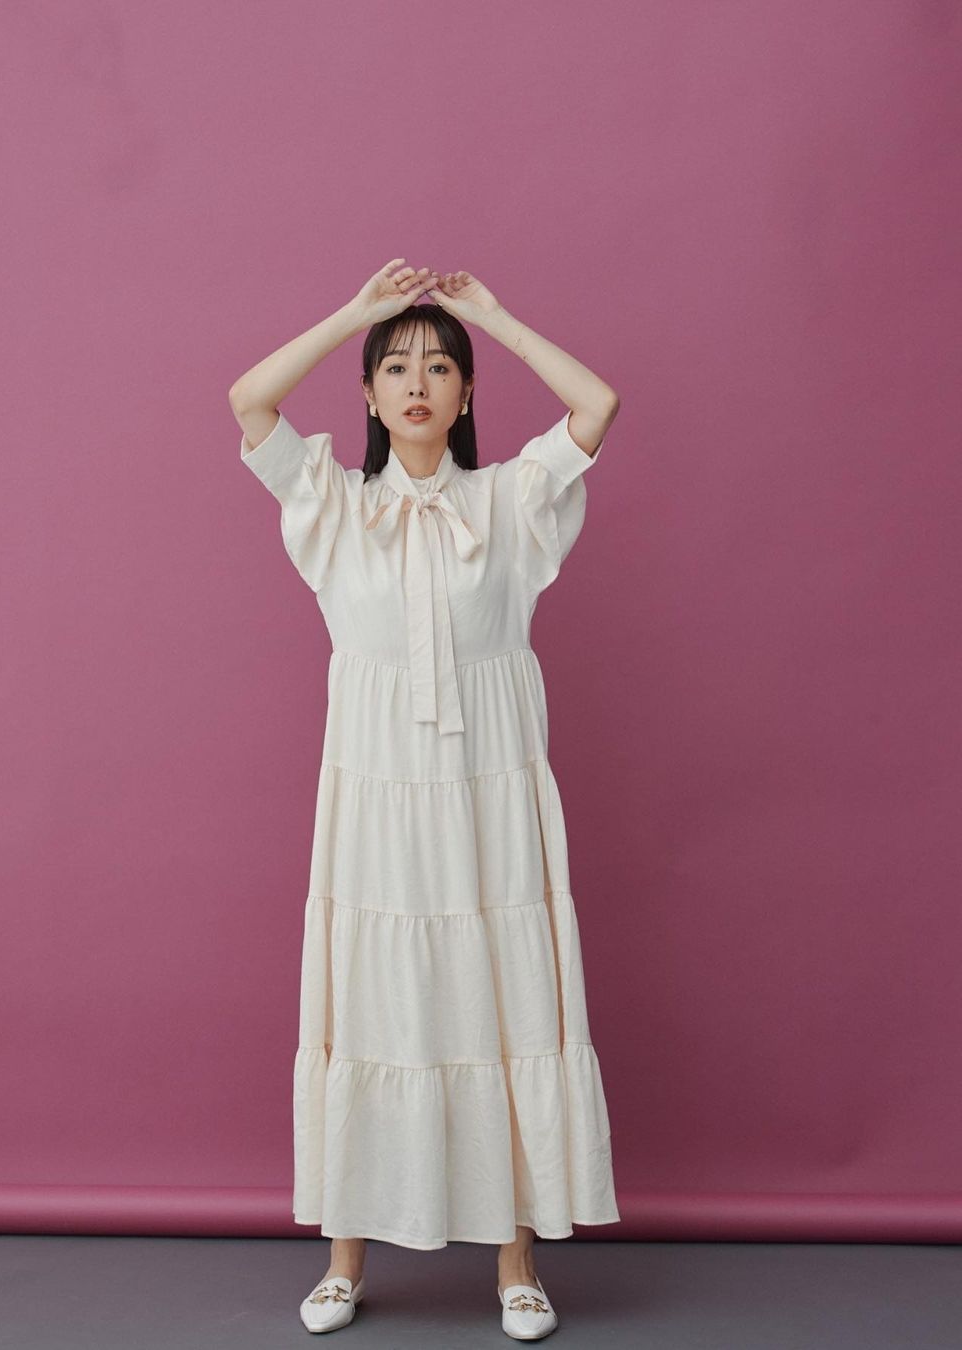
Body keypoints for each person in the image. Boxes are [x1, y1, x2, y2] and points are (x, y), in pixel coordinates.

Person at [228, 261, 622, 1339]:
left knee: (502, 1000)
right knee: (372, 999)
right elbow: (249, 401)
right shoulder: (333, 505)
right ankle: (345, 1259)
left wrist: (494, 315)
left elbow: (596, 407)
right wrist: (356, 314)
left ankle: (516, 1264)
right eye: (396, 368)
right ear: (367, 394)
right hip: (376, 804)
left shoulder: (510, 501)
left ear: (465, 393)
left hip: (489, 799)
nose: (417, 382)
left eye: (440, 367)